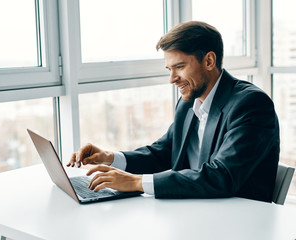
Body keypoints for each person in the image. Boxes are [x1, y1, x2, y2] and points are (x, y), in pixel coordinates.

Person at [67, 21, 280, 202]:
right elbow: (165, 152)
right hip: (192, 210)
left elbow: (222, 176)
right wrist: (109, 157)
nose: (172, 79)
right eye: (169, 70)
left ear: (209, 61)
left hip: (238, 222)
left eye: (179, 67)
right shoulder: (188, 103)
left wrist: (137, 182)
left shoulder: (251, 104)